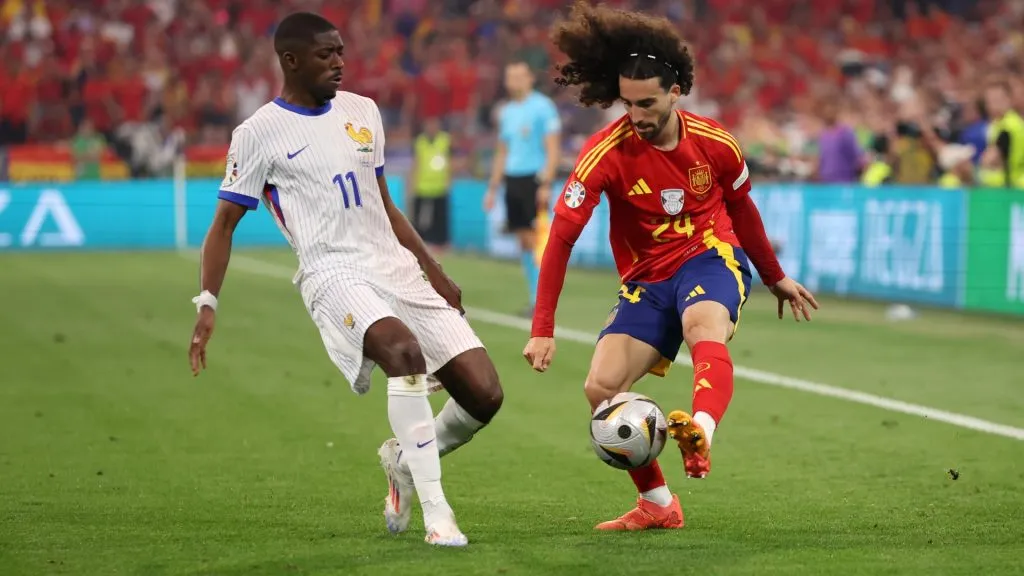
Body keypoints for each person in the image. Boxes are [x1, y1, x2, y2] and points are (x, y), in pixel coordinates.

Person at [187, 12, 503, 547]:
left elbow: (384, 203)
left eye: (340, 52)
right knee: (402, 354)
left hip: (392, 265)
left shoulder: (364, 112)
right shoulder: (258, 133)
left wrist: (434, 269)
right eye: (325, 54)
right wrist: (207, 302)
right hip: (331, 271)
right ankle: (438, 513)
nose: (339, 62)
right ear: (290, 60)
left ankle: (403, 461)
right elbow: (223, 224)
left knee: (484, 394)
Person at [523, 1, 818, 531]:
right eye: (627, 102)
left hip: (710, 256)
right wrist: (542, 328)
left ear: (676, 92)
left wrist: (773, 276)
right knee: (599, 387)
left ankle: (700, 429)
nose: (635, 114)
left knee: (702, 323)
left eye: (647, 102)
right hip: (646, 281)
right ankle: (658, 505)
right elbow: (561, 239)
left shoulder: (716, 143)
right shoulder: (603, 154)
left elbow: (744, 211)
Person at [483, 59, 561, 317]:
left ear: (529, 78)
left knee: (537, 240)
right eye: (509, 76)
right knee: (523, 242)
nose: (513, 81)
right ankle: (534, 297)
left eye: (518, 76)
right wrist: (493, 189)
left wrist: (546, 183)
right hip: (512, 180)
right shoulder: (506, 112)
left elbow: (552, 149)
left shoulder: (543, 107)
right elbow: (502, 152)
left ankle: (543, 301)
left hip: (533, 179)